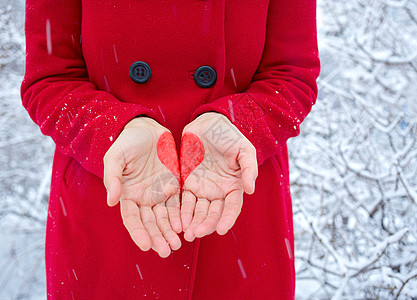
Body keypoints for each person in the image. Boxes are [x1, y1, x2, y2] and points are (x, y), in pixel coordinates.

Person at [21, 0, 320, 298]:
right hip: (111, 203)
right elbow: (49, 80)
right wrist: (112, 130)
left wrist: (237, 124)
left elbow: (292, 76)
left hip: (234, 199)